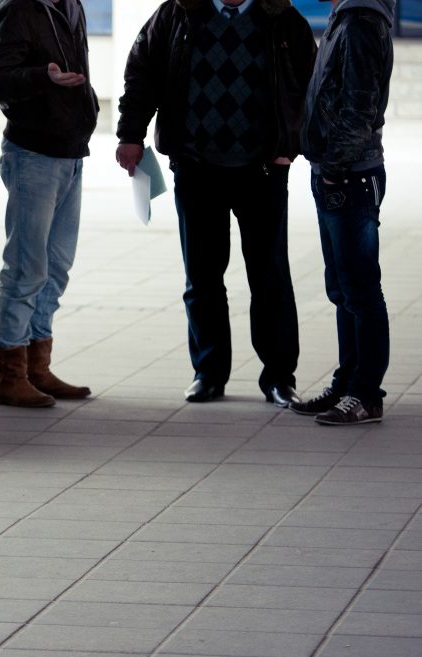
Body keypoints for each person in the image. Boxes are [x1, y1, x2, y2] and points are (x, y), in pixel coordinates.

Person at [115, 0, 315, 406]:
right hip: (196, 165)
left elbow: (307, 87)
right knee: (203, 277)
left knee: (270, 276)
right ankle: (208, 372)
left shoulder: (282, 18)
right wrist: (130, 134)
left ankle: (279, 377)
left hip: (262, 168)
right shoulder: (177, 13)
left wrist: (290, 146)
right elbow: (142, 73)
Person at [0, 0, 99, 407]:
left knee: (56, 267)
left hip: (70, 153)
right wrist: (41, 76)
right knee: (27, 268)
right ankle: (8, 373)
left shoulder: (71, 8)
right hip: (33, 156)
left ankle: (36, 366)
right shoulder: (20, 10)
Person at [290, 0, 394, 425]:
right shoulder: (346, 19)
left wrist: (333, 167)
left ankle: (366, 394)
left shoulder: (360, 24)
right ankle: (348, 381)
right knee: (343, 288)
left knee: (361, 290)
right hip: (336, 172)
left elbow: (359, 106)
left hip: (350, 175)